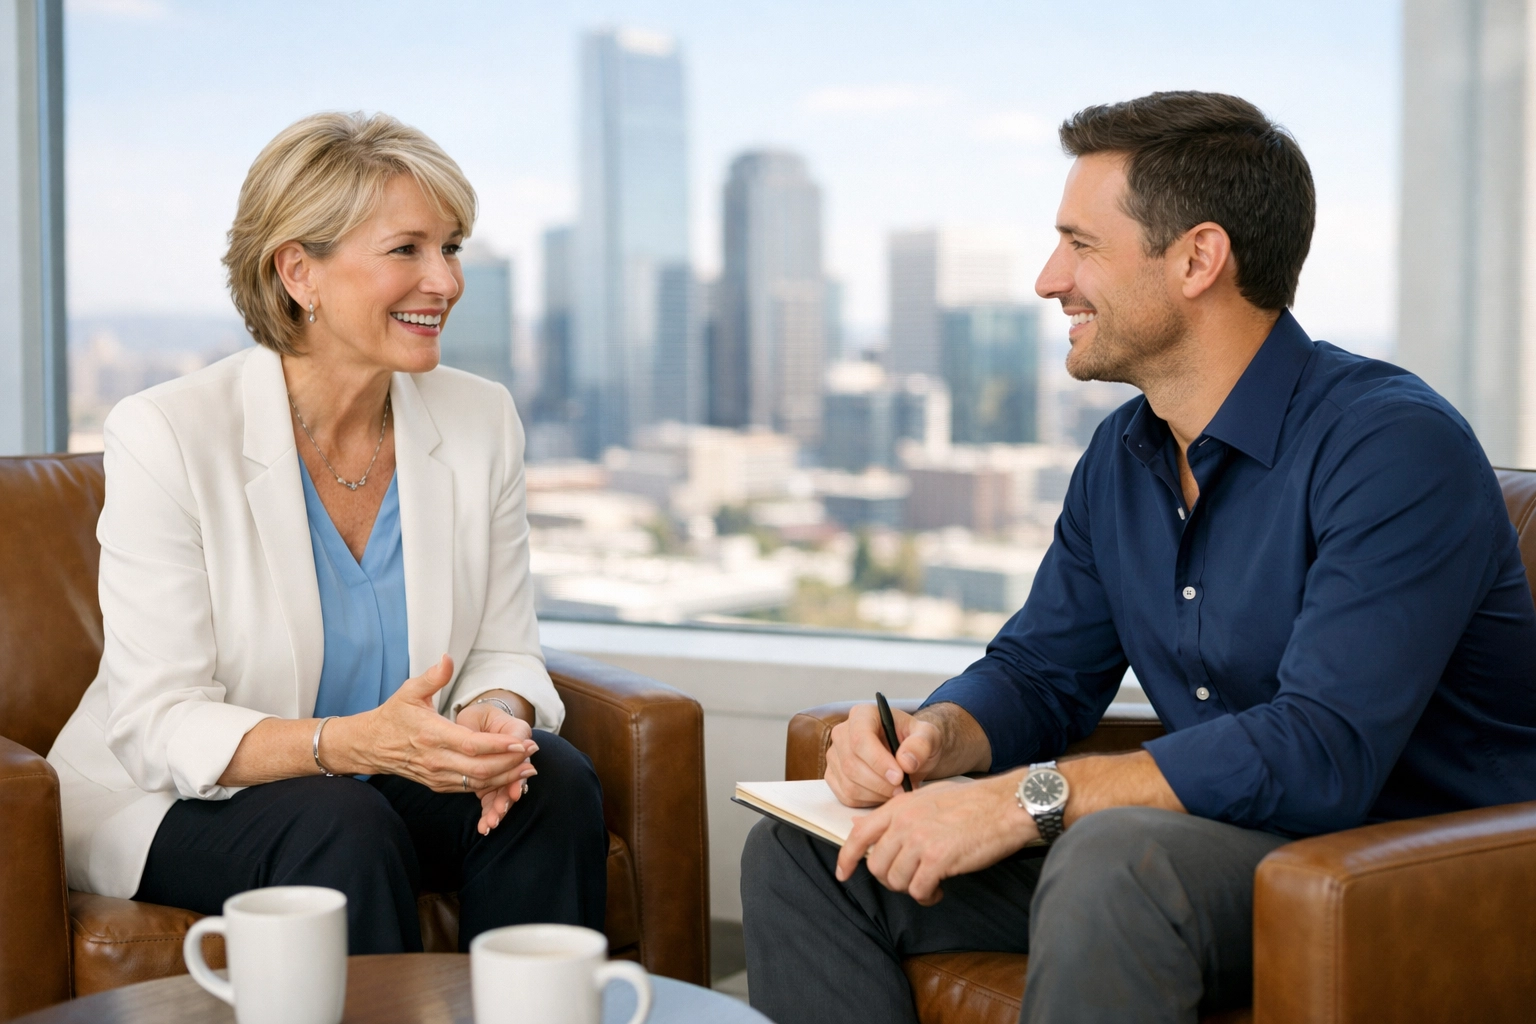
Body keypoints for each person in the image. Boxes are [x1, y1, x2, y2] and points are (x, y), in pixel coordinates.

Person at [741, 91, 1536, 1024]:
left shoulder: (1392, 446)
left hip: (1414, 872)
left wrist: (1023, 799)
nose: (1049, 280)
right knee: (814, 854)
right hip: (1206, 849)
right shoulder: (1122, 455)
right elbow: (1042, 673)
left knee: (1115, 857)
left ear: (1198, 258)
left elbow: (1321, 752)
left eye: (1080, 245)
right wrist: (937, 736)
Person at [46, 111, 607, 953]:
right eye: (407, 249)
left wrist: (493, 718)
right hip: (171, 795)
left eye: (450, 248)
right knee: (340, 821)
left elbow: (503, 647)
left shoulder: (480, 417)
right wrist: (349, 744)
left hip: (377, 779)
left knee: (547, 780)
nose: (446, 281)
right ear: (298, 271)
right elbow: (158, 720)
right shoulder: (167, 432)